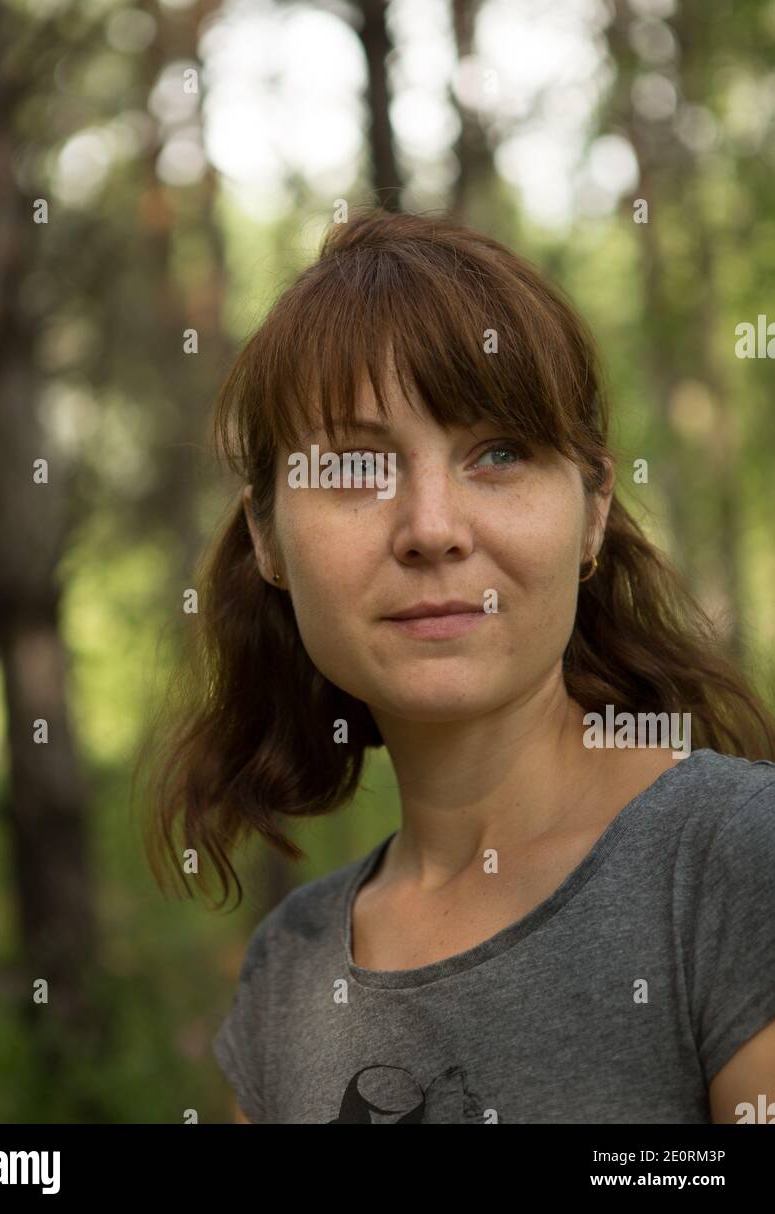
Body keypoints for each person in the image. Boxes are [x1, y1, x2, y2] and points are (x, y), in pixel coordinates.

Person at [137, 209, 775, 1124]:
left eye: (499, 453)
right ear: (266, 538)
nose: (431, 527)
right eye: (356, 468)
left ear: (593, 511)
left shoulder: (736, 864)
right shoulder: (289, 973)